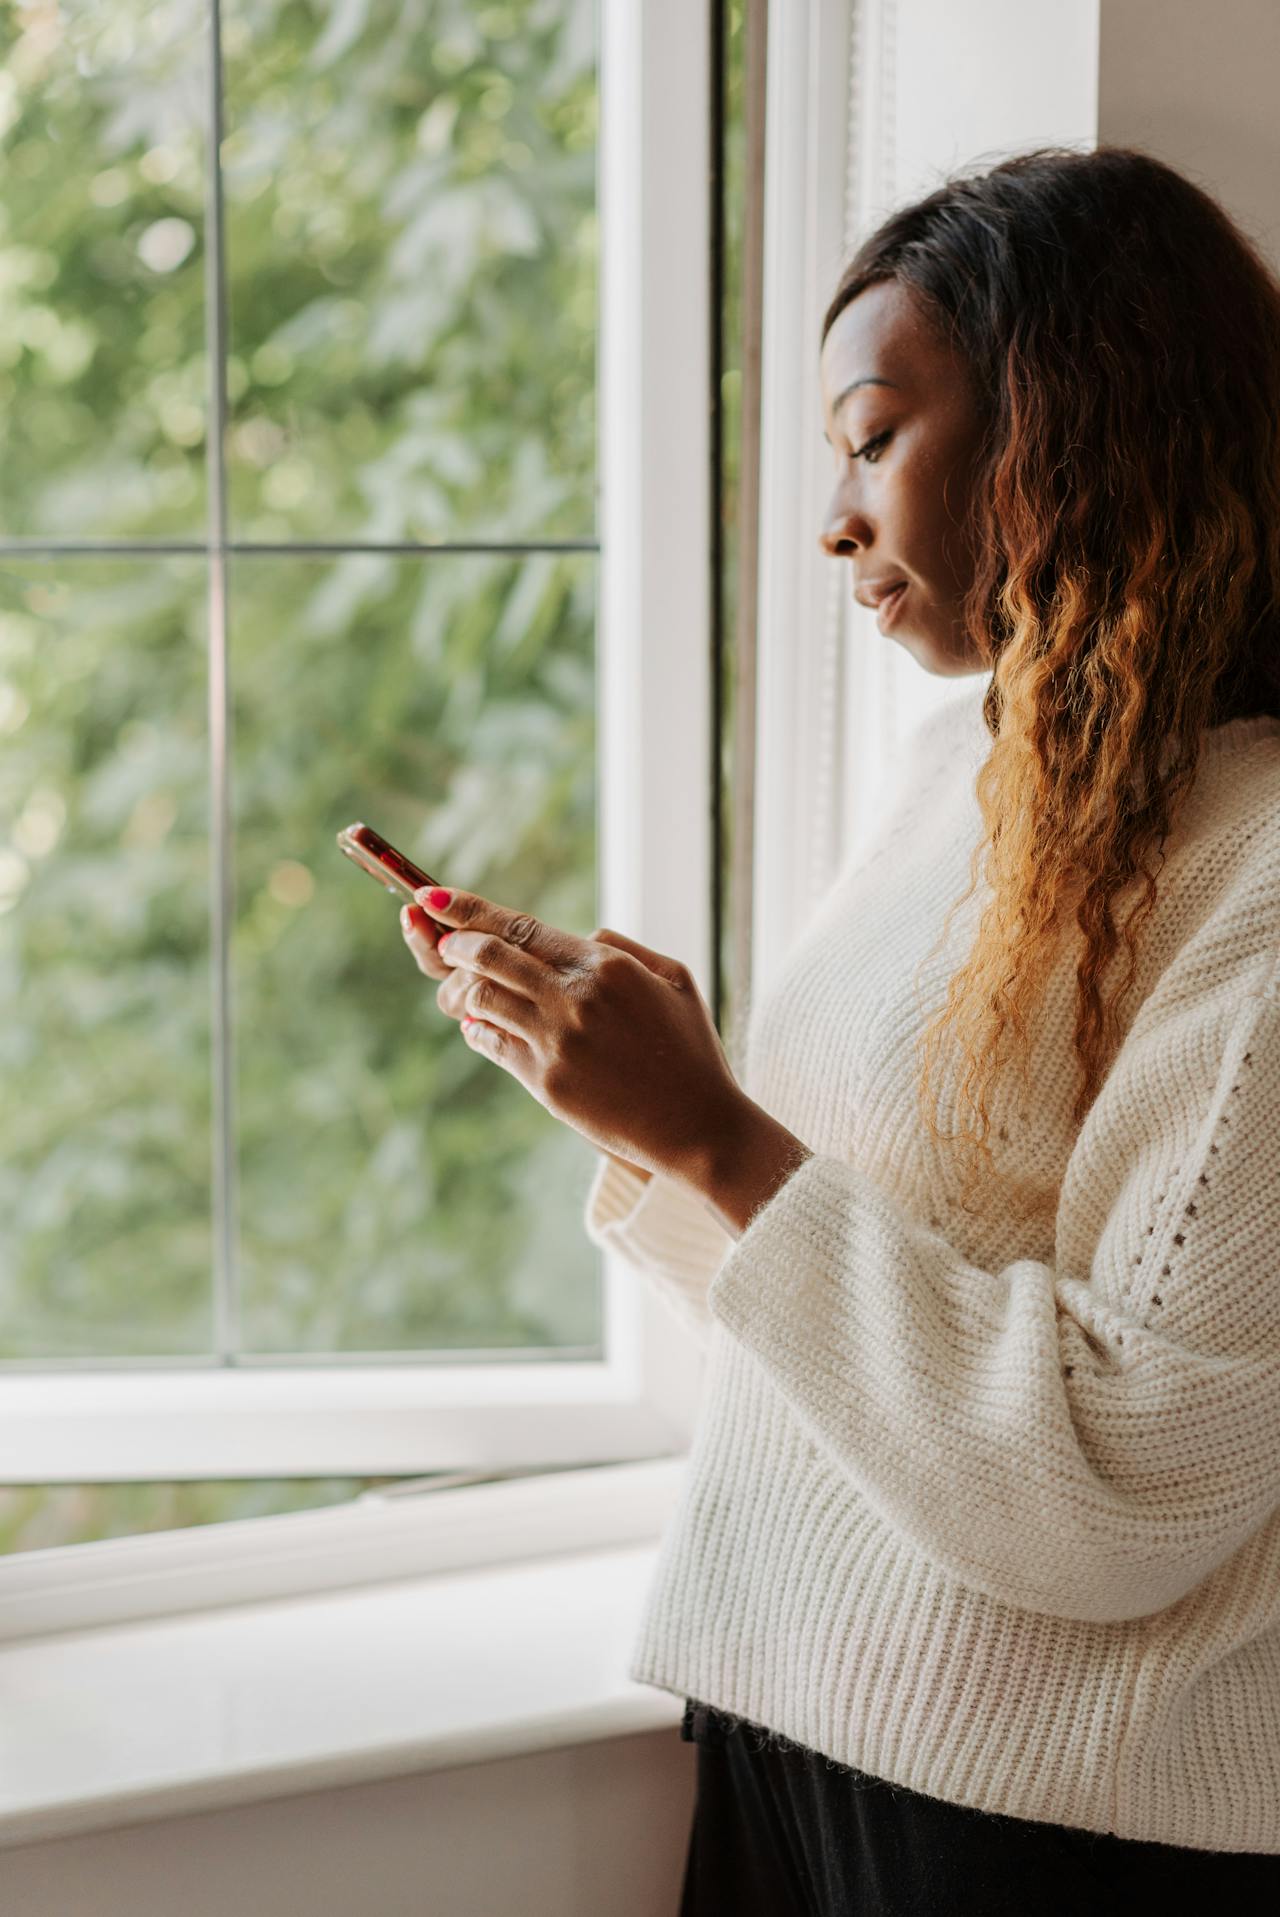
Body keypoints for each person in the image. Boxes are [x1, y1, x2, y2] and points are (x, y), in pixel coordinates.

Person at [401, 144, 1280, 1909]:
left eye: (874, 437)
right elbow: (854, 1296)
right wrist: (655, 1116)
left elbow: (1125, 1482)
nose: (835, 518)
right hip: (781, 1715)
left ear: (1073, 422)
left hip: (1043, 1827)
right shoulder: (967, 770)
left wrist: (718, 1138)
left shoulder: (1257, 870)